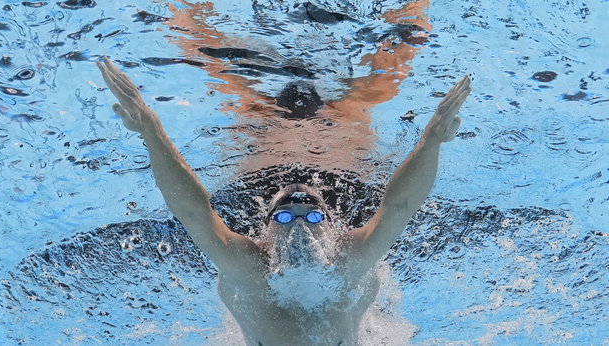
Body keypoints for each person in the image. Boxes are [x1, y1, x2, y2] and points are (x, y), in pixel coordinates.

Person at [97, 56, 471, 345]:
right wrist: (432, 140)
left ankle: (212, 50)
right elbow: (400, 206)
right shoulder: (347, 262)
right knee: (352, 112)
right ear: (334, 225)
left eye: (284, 216)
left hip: (261, 177)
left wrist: (152, 128)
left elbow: (193, 210)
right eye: (310, 216)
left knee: (256, 109)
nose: (297, 215)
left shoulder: (250, 271)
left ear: (262, 233)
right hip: (339, 178)